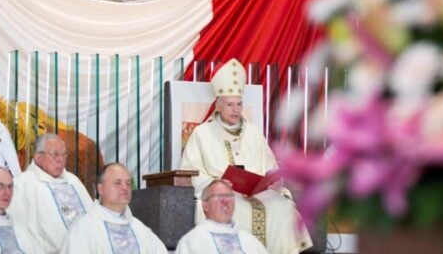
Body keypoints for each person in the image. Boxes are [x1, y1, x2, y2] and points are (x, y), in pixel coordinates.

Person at [180, 58, 313, 254]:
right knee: (237, 209)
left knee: (282, 208)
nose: (235, 109)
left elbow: (270, 167)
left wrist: (273, 180)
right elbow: (190, 171)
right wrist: (218, 184)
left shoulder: (254, 132)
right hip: (227, 193)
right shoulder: (202, 133)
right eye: (230, 105)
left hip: (259, 195)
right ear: (218, 105)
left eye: (239, 104)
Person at [7, 134, 92, 253]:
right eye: (54, 154)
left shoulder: (73, 181)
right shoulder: (22, 185)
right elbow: (18, 233)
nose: (60, 159)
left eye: (63, 154)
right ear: (38, 156)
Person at [60, 162, 166, 254]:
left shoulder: (141, 230)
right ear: (101, 188)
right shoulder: (83, 229)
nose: (124, 187)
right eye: (117, 183)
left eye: (128, 183)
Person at [176, 179, 268, 254]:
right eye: (218, 196)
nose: (225, 201)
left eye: (229, 196)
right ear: (205, 205)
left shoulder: (248, 239)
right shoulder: (192, 241)